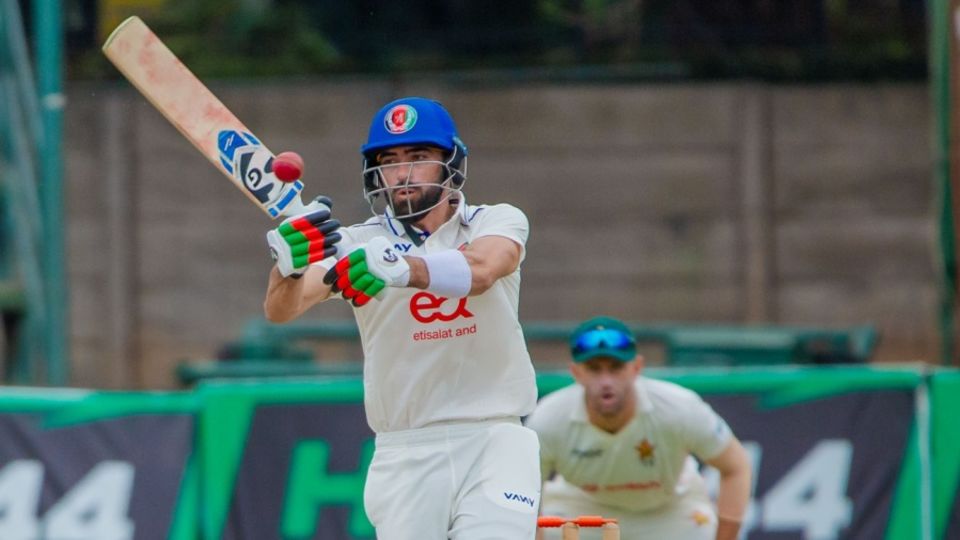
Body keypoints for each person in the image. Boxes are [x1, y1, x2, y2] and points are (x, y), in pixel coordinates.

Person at [263, 97, 541, 539]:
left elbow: (485, 270)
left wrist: (401, 269)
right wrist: (288, 266)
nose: (403, 172)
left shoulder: (494, 221)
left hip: (495, 439)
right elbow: (283, 309)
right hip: (406, 451)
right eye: (389, 161)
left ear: (451, 162)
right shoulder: (354, 243)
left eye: (418, 158)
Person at [525, 316, 752, 540]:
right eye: (594, 369)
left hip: (670, 510)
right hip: (582, 508)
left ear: (636, 367)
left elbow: (735, 466)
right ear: (577, 373)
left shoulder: (679, 408)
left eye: (616, 368)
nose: (606, 381)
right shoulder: (548, 418)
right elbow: (526, 491)